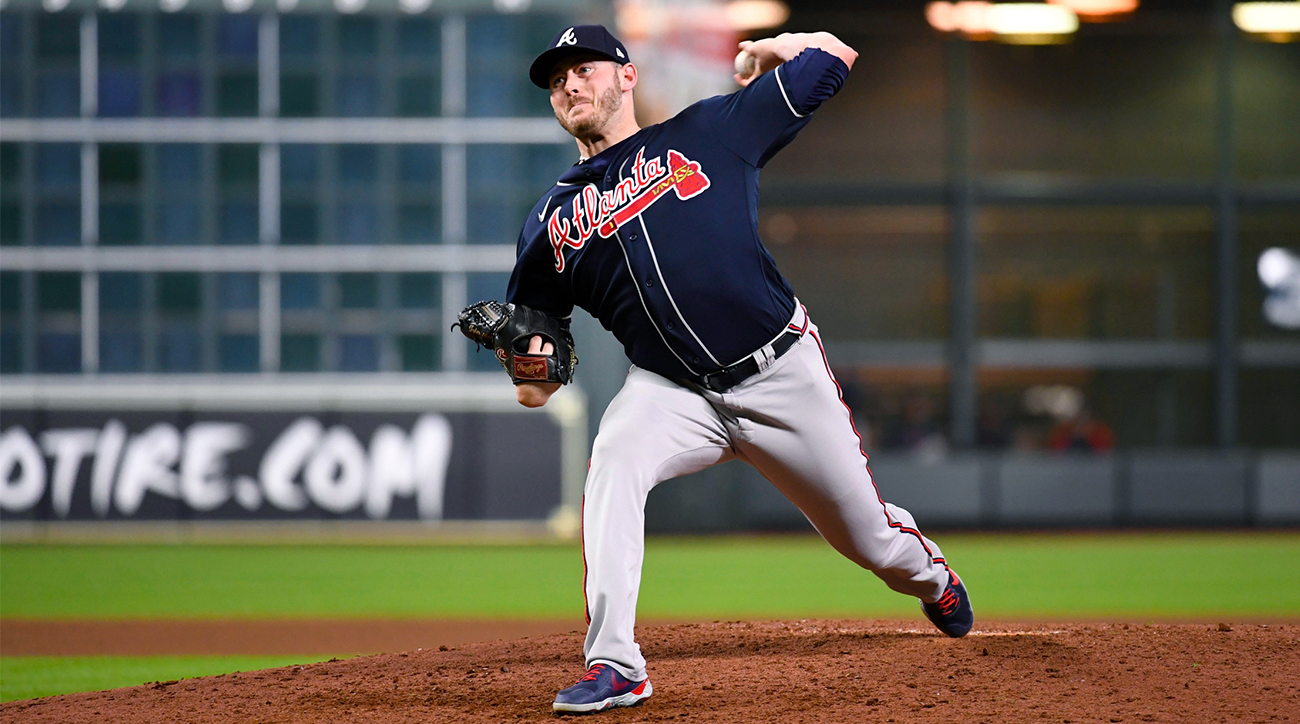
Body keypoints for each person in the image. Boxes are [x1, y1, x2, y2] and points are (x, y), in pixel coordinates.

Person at [503, 24, 973, 714]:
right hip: (671, 391)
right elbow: (534, 384)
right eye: (556, 79)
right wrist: (526, 358)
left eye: (585, 69)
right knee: (612, 462)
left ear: (627, 77)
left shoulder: (706, 132)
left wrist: (769, 48)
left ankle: (933, 578)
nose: (570, 84)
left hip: (780, 372)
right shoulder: (550, 222)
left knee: (867, 537)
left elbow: (836, 55)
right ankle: (616, 662)